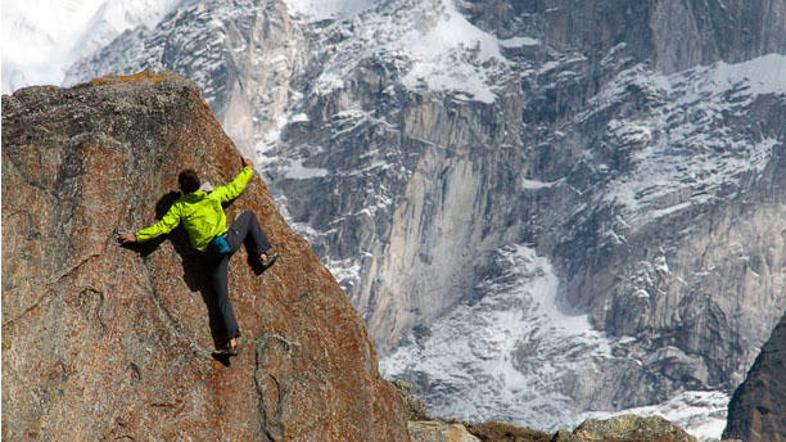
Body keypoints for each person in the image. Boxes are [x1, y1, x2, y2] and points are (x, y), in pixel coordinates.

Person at [118, 157, 277, 356]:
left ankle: (232, 341)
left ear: (182, 188)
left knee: (221, 297)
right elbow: (234, 188)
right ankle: (262, 257)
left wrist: (137, 236)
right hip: (228, 241)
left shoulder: (180, 207)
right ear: (198, 182)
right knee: (249, 216)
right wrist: (248, 170)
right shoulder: (211, 194)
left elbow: (163, 226)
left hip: (210, 255)